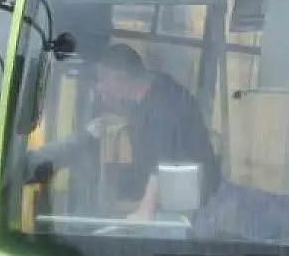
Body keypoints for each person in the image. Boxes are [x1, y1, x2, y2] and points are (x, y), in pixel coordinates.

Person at [28, 44, 220, 219]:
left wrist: (145, 210)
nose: (98, 87)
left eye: (102, 79)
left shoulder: (164, 106)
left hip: (190, 209)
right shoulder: (149, 95)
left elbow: (162, 165)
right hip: (178, 200)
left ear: (120, 77)